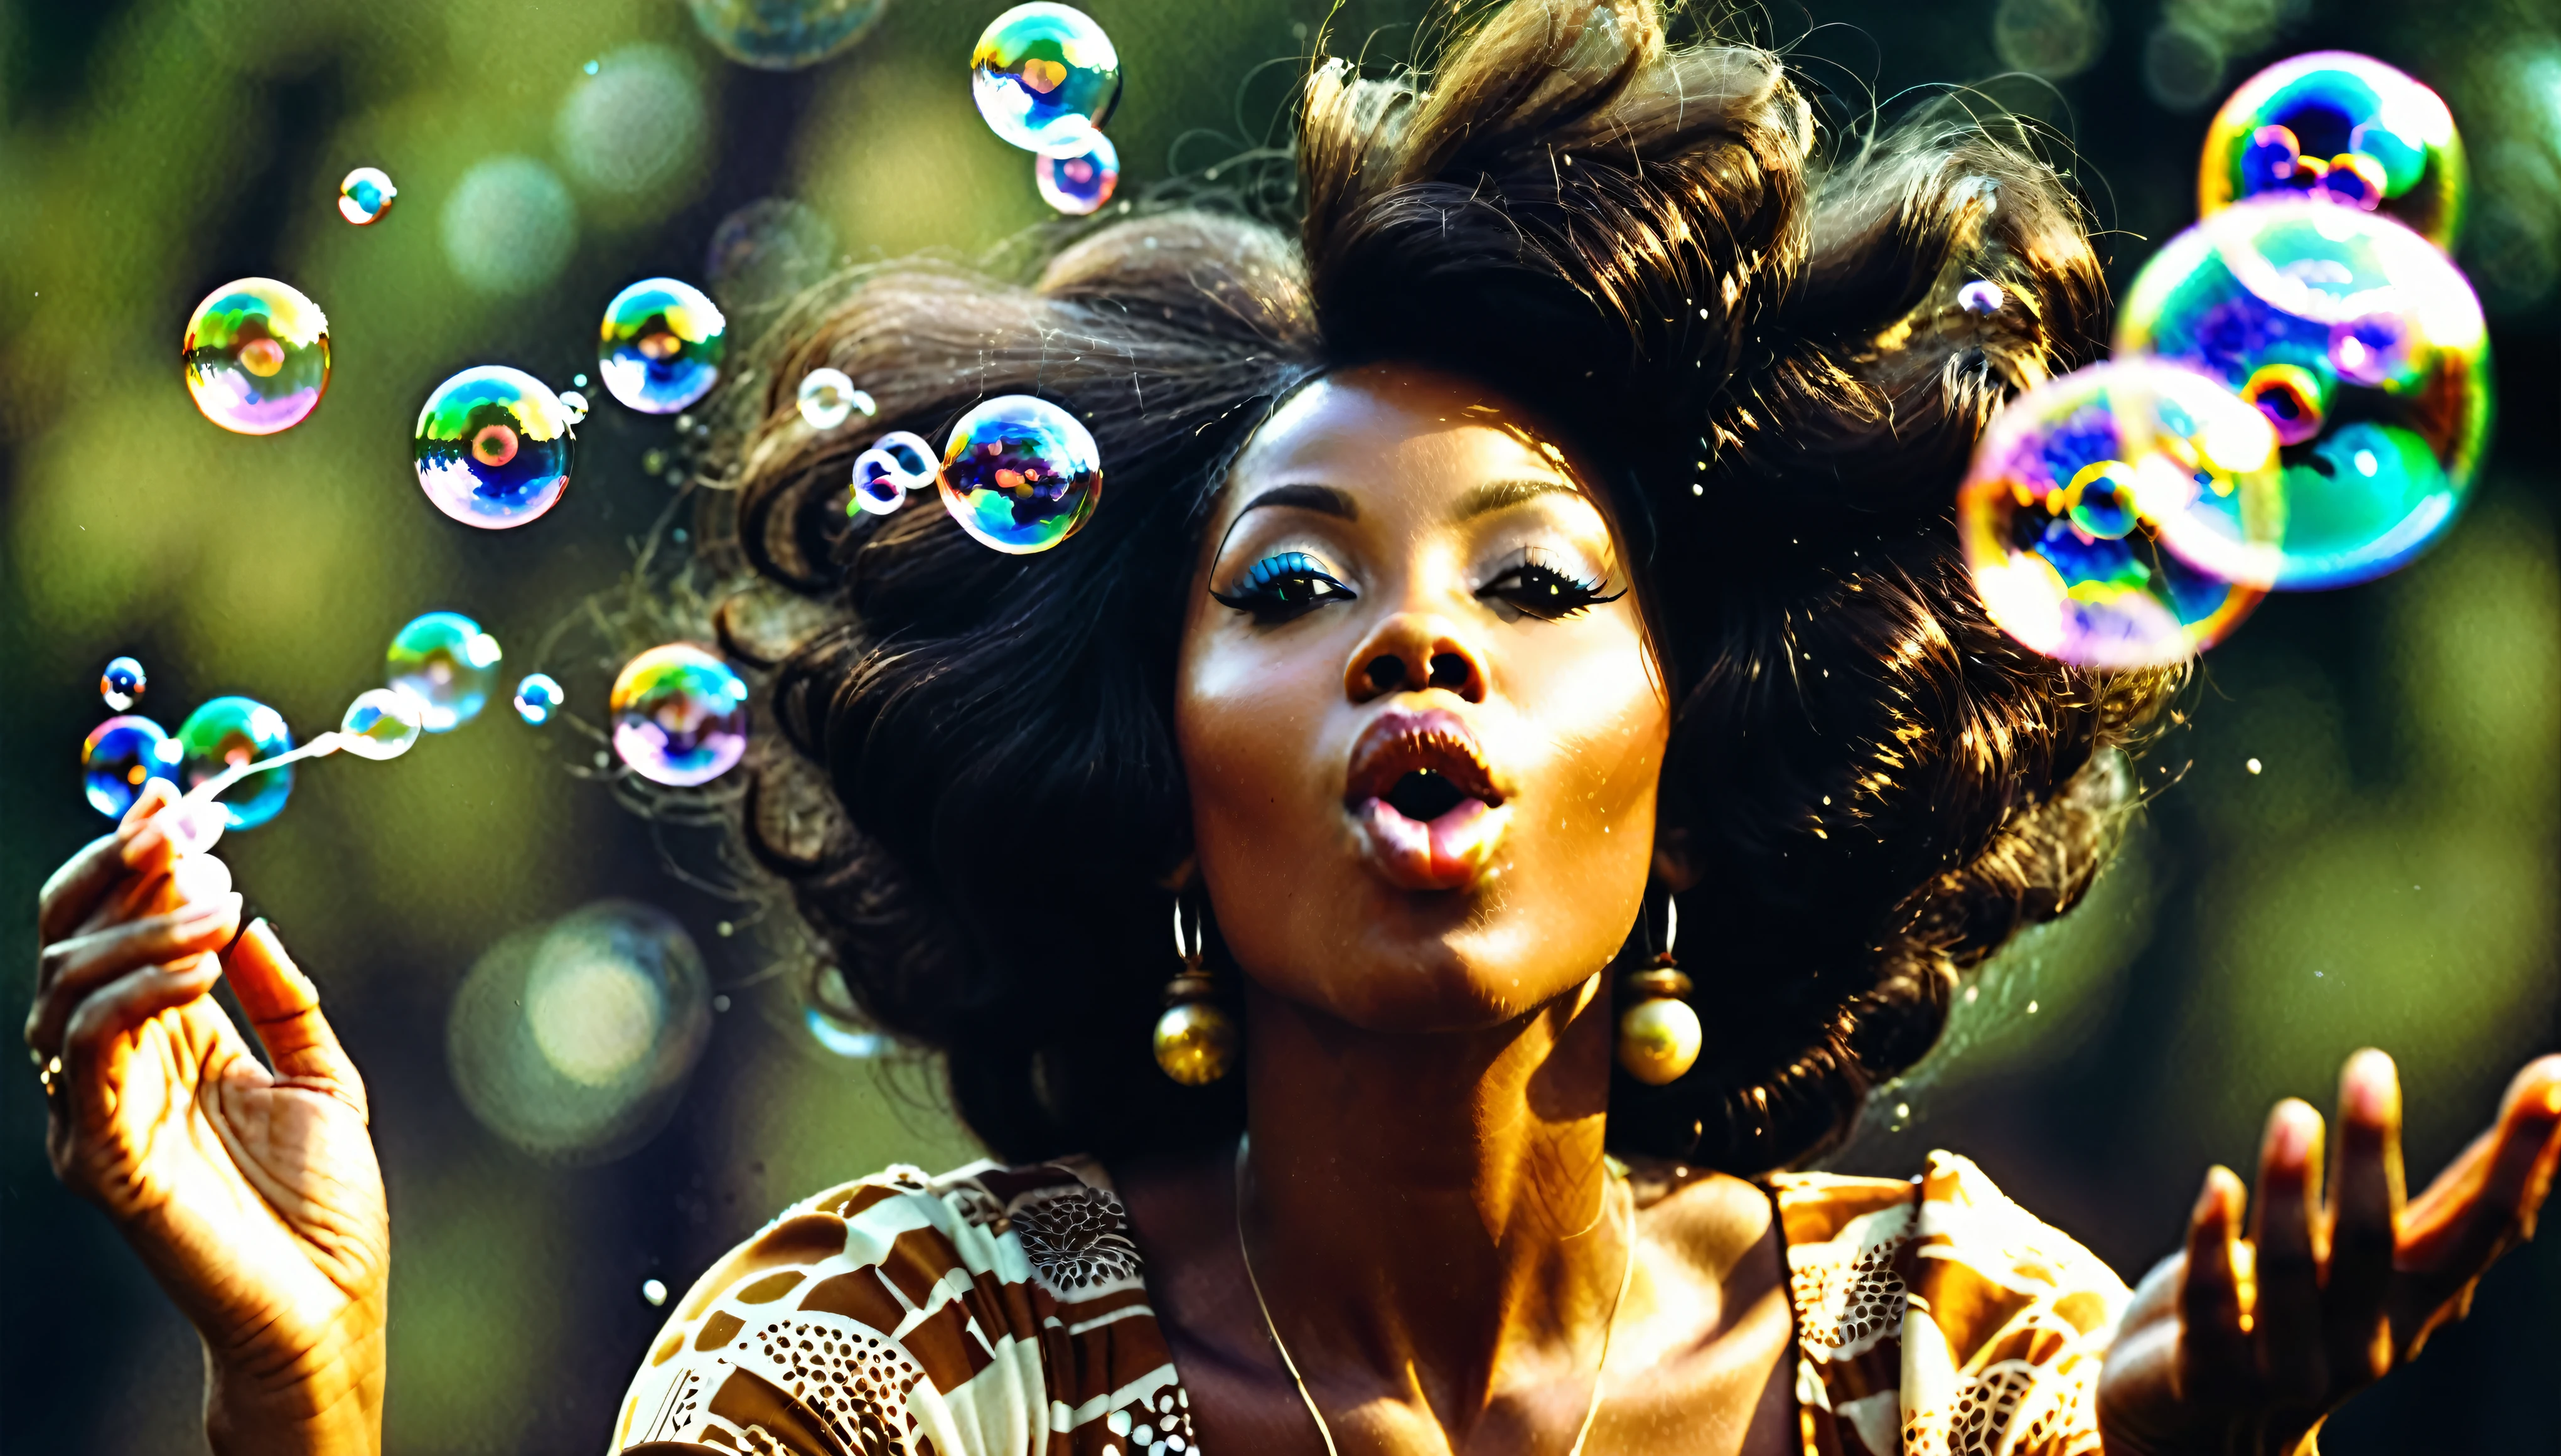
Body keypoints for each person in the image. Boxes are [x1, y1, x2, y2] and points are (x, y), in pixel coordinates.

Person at [28, 4, 2561, 1453]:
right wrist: (307, 1378)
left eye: (1538, 582)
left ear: (1696, 770)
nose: (1415, 639)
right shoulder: (894, 1374)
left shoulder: (1978, 1364)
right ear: (1161, 788)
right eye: (1296, 583)